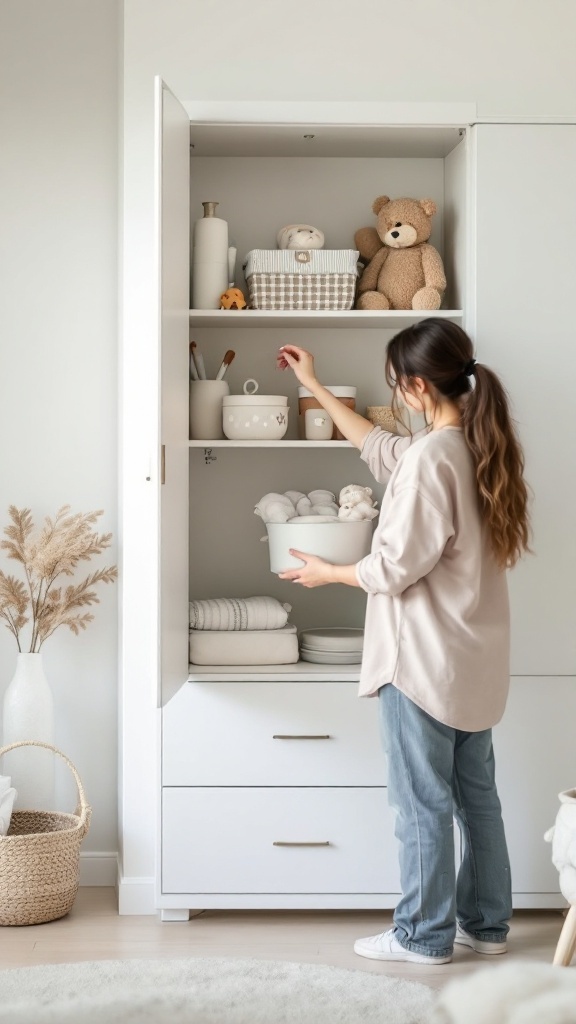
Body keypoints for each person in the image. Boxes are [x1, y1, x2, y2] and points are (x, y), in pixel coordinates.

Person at [276, 317, 531, 965]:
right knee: (477, 799)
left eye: (396, 385)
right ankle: (487, 926)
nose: (394, 397)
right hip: (473, 664)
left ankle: (424, 936)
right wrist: (314, 386)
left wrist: (326, 571)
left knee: (421, 803)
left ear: (417, 385)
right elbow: (382, 448)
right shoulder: (476, 444)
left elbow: (393, 566)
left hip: (421, 662)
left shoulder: (430, 460)